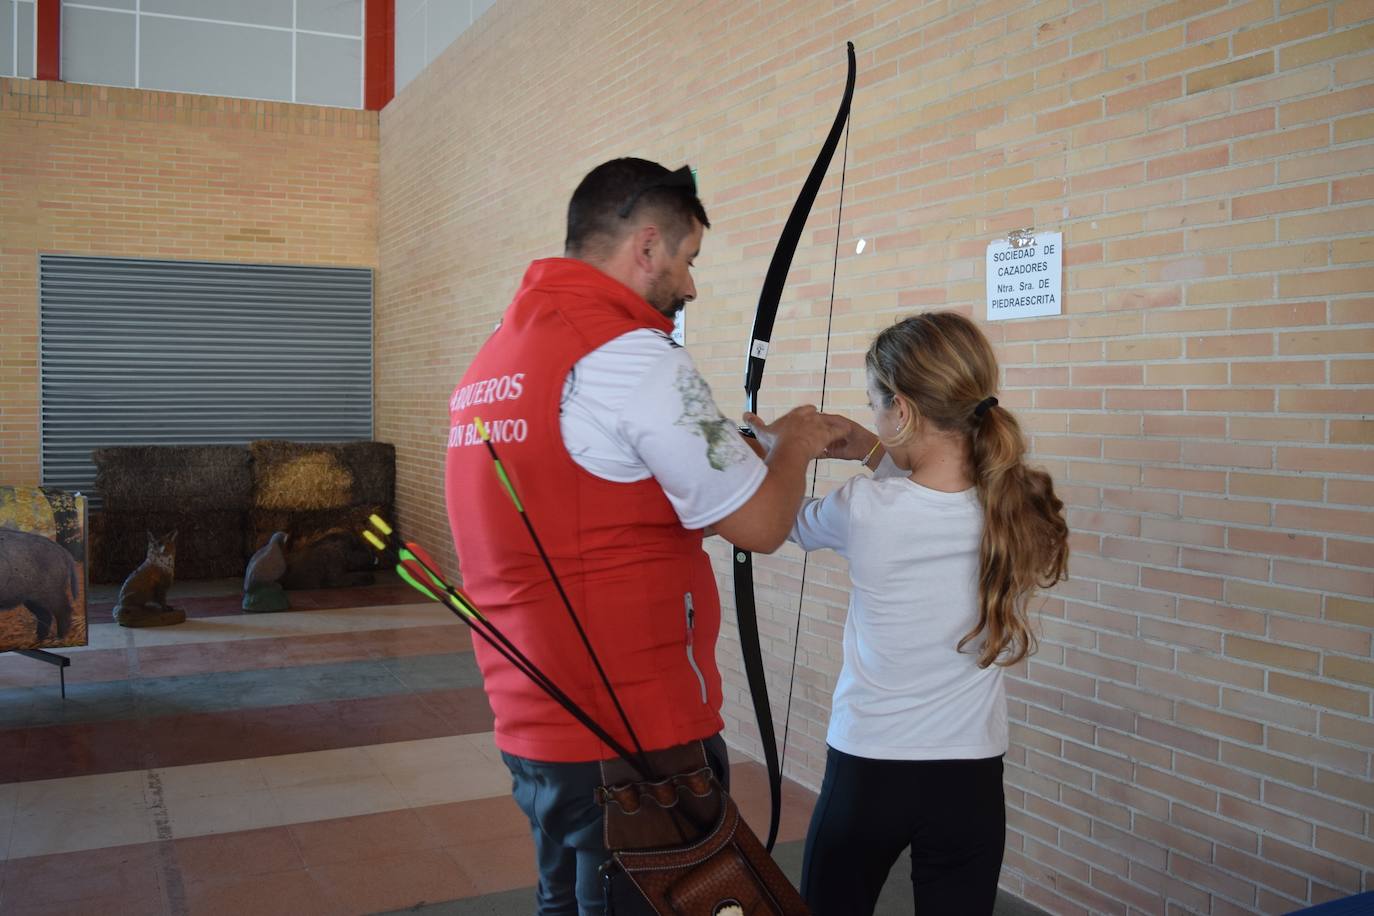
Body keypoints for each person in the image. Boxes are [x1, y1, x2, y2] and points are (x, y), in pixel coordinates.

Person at [443, 157, 844, 916]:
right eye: (689, 261)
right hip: (633, 738)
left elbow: (595, 469)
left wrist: (742, 440)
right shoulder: (630, 354)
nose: (690, 286)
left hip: (540, 718)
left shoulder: (500, 355)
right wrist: (794, 443)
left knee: (567, 901)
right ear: (649, 246)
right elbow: (760, 525)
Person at [747, 310, 1070, 916]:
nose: (873, 421)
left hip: (871, 768)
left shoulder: (864, 508)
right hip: (971, 778)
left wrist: (788, 449)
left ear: (902, 409)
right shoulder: (1013, 506)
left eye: (876, 407)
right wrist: (872, 449)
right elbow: (935, 489)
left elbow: (773, 519)